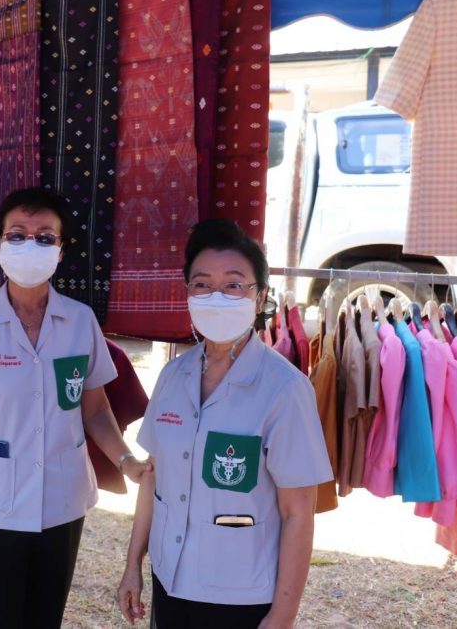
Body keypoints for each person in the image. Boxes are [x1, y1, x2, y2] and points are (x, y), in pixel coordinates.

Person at [0, 187, 150, 629]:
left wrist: (126, 461)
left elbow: (94, 410)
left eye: (45, 237)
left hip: (62, 503)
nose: (29, 245)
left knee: (45, 619)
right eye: (17, 235)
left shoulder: (80, 322)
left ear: (61, 249)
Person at [117, 219, 332, 629]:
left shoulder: (285, 390)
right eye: (202, 284)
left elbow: (298, 512)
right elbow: (153, 479)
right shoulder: (173, 376)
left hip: (239, 595)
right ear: (187, 293)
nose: (216, 297)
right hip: (170, 579)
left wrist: (282, 616)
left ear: (260, 296)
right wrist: (133, 566)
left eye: (233, 285)